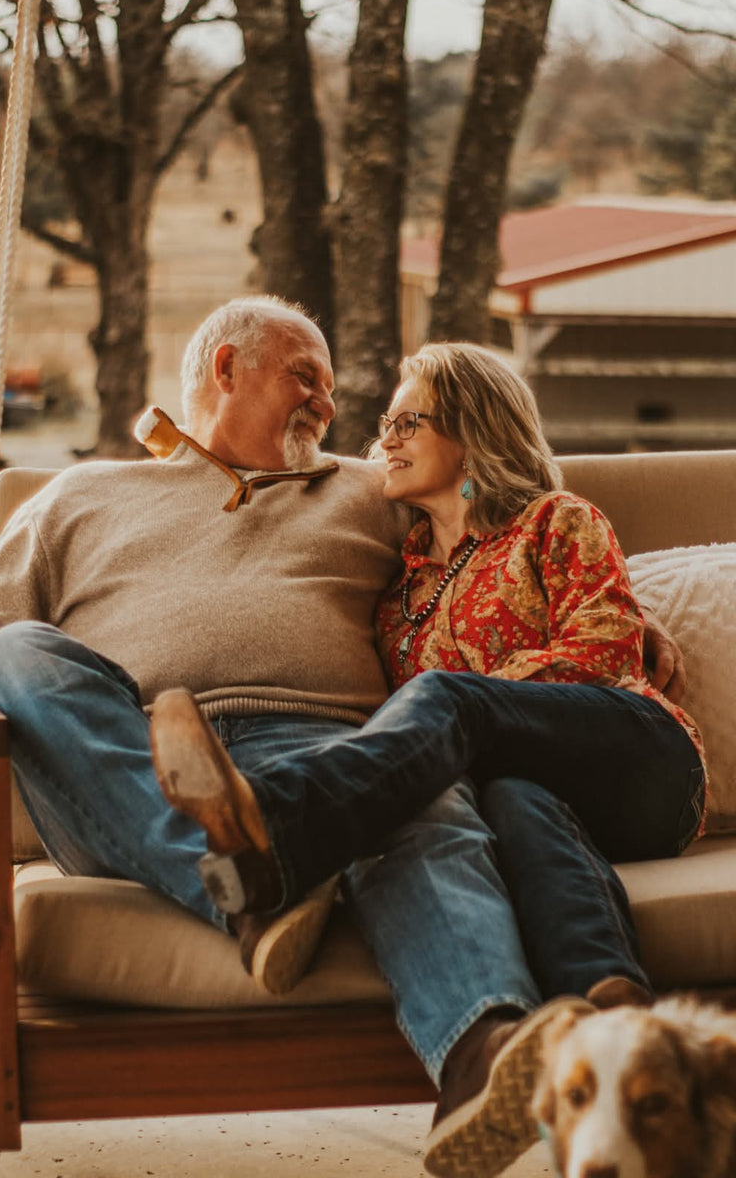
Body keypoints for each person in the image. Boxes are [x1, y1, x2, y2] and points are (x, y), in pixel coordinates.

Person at [0, 299, 686, 1177]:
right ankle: (235, 870)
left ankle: (479, 1055)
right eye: (305, 377)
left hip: (340, 751)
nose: (328, 406)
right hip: (146, 761)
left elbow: (494, 520)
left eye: (332, 390)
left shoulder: (371, 490)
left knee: (425, 797)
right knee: (21, 654)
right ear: (224, 368)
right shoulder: (80, 496)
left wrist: (632, 618)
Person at [146, 340, 705, 1178]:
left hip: (639, 760)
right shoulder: (400, 591)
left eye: (410, 421)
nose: (386, 441)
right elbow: (288, 466)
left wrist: (464, 709)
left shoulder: (555, 521)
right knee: (513, 795)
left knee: (446, 702)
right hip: (534, 803)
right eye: (383, 427)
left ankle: (280, 828)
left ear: (475, 432)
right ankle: (611, 1017)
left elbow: (598, 657)